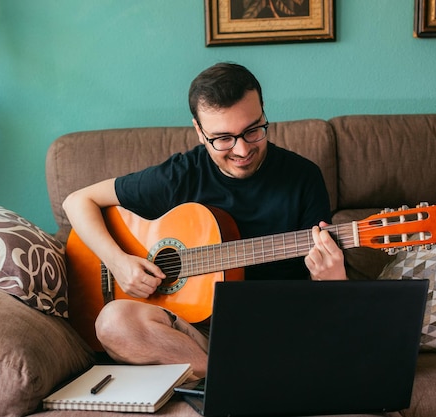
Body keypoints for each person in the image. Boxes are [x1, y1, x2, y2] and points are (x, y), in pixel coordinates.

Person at [62, 62, 347, 379]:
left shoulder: (303, 178)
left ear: (264, 112)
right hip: (195, 340)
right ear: (199, 131)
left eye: (253, 130)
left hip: (276, 333)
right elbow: (77, 201)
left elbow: (326, 307)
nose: (242, 150)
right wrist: (117, 262)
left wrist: (333, 278)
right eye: (223, 138)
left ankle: (231, 382)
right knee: (112, 321)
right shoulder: (180, 176)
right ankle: (232, 382)